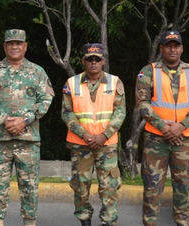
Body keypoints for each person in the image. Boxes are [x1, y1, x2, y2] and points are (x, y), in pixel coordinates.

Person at [0, 29, 54, 226]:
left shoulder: (37, 72)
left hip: (28, 140)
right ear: (5, 46)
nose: (14, 47)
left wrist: (25, 120)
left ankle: (29, 222)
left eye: (18, 43)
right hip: (1, 140)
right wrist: (4, 119)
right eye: (10, 43)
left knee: (29, 186)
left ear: (25, 46)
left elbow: (46, 99)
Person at [135, 30, 189, 226]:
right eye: (168, 45)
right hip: (156, 140)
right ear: (162, 48)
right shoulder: (149, 71)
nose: (172, 49)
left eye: (176, 45)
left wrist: (181, 127)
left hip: (184, 139)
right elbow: (142, 103)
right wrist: (164, 128)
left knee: (183, 187)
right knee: (152, 187)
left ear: (182, 48)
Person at [61, 43, 125, 226]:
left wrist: (103, 136)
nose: (94, 62)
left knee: (109, 186)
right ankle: (84, 220)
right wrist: (86, 135)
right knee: (80, 185)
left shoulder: (115, 82)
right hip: (80, 145)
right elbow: (66, 113)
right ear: (83, 61)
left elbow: (120, 112)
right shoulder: (71, 83)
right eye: (90, 59)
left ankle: (108, 221)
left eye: (97, 59)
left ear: (103, 61)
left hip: (107, 145)